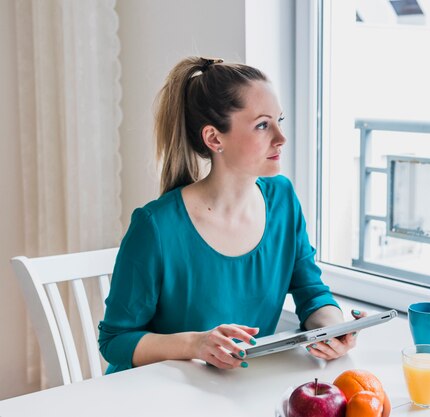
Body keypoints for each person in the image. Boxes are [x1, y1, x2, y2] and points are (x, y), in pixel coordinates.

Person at [98, 57, 361, 373]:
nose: (281, 137)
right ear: (214, 138)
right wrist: (196, 344)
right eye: (263, 125)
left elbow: (310, 291)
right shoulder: (155, 227)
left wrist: (333, 328)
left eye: (280, 120)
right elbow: (115, 341)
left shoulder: (283, 199)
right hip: (156, 395)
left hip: (232, 391)